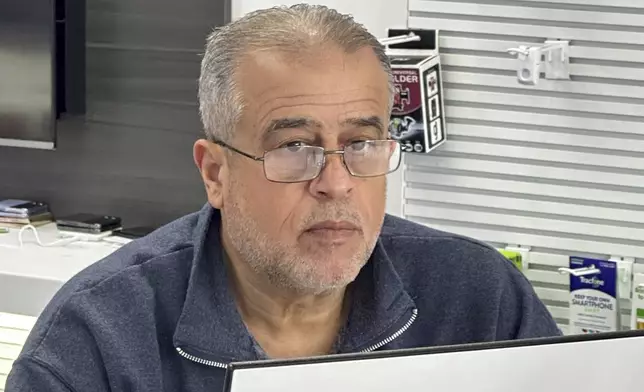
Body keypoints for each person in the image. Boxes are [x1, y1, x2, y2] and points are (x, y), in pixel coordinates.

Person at [6, 4, 560, 391]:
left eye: (361, 144)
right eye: (295, 147)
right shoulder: (96, 339)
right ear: (215, 172)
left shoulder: (481, 301)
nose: (337, 182)